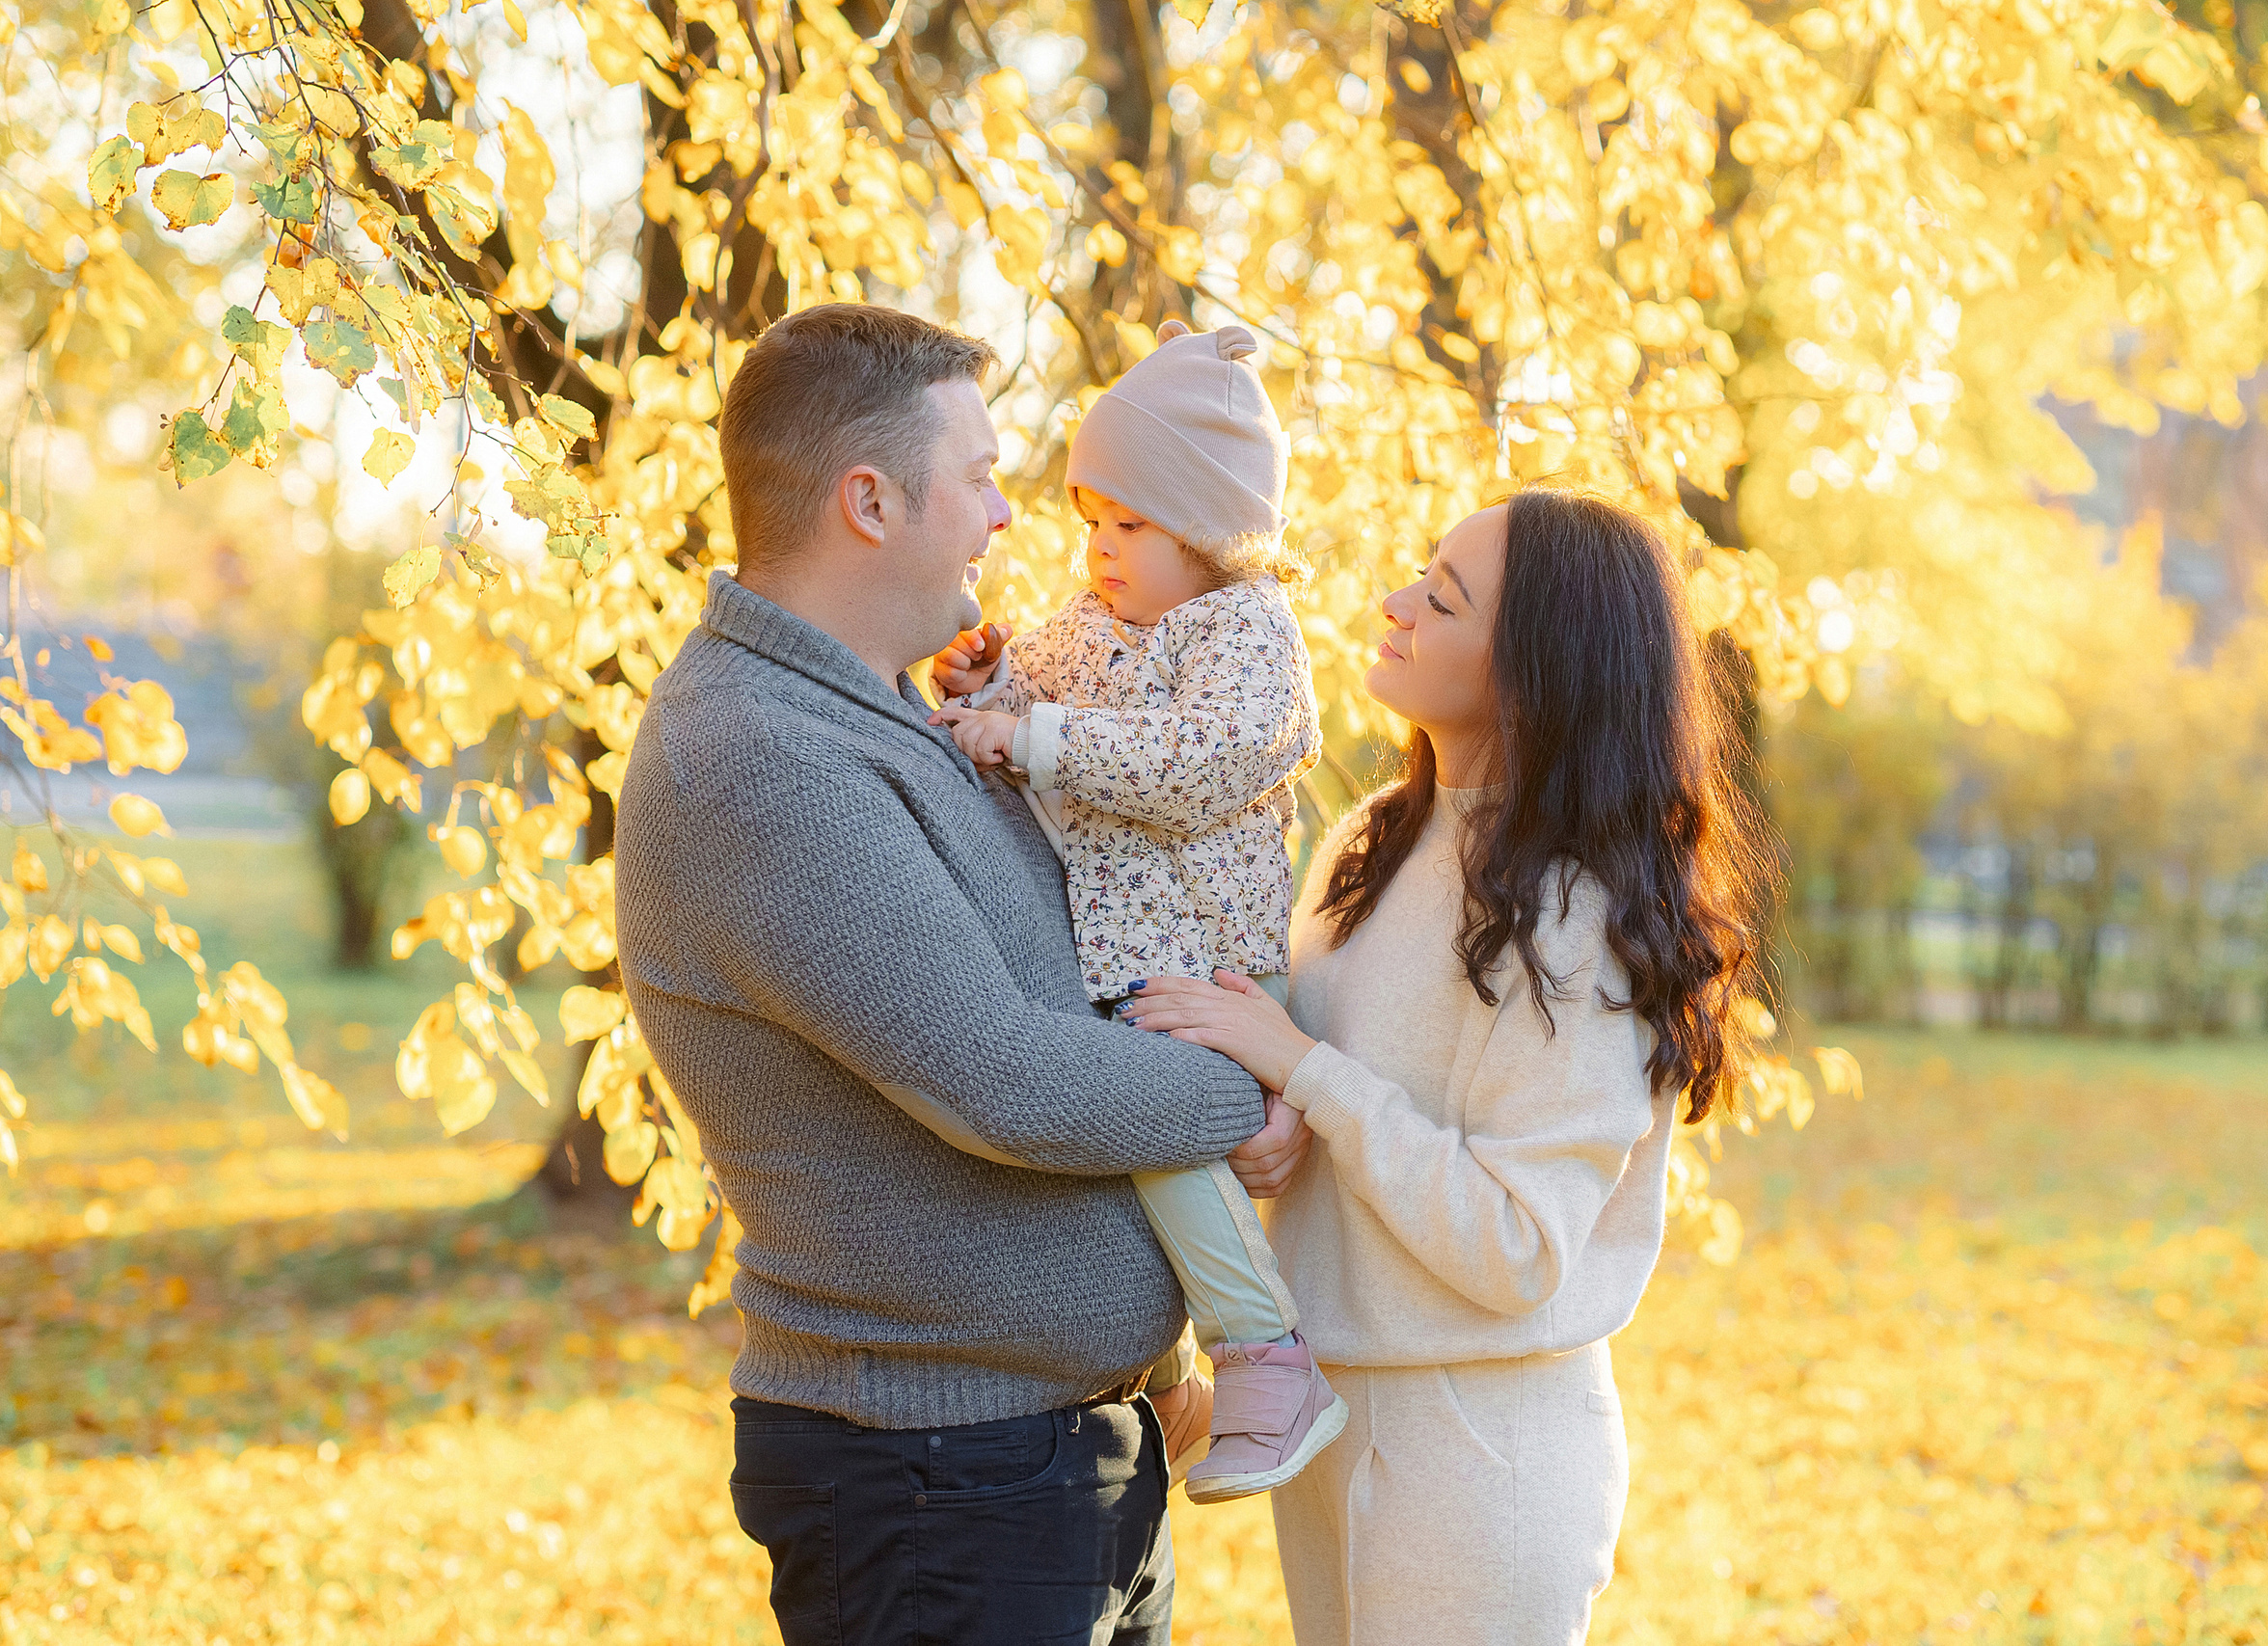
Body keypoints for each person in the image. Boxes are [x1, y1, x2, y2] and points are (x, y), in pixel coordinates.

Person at [611, 303, 1275, 1646]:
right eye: (977, 476)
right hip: (940, 1484)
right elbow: (1007, 1078)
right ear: (869, 499)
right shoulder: (756, 756)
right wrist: (1261, 1084)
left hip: (1056, 1459)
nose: (1007, 515)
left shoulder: (895, 714)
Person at [1123, 489, 1774, 1646]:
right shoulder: (1372, 842)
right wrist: (1276, 1114)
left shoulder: (1576, 918)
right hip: (1332, 1416)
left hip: (1480, 1452)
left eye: (1442, 597)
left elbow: (1519, 1247)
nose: (1394, 604)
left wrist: (1309, 1075)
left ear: (1535, 670)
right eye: (1419, 575)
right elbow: (1322, 1093)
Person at [924, 319, 1346, 1503]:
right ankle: (1171, 1377)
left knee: (1160, 1150)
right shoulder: (1092, 623)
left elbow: (1200, 760)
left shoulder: (1247, 633)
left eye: (1130, 525)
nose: (1101, 551)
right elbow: (1025, 707)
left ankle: (1266, 1352)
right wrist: (986, 686)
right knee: (1115, 1158)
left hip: (1208, 962)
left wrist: (1032, 735)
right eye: (1090, 522)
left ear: (1208, 528)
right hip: (1122, 962)